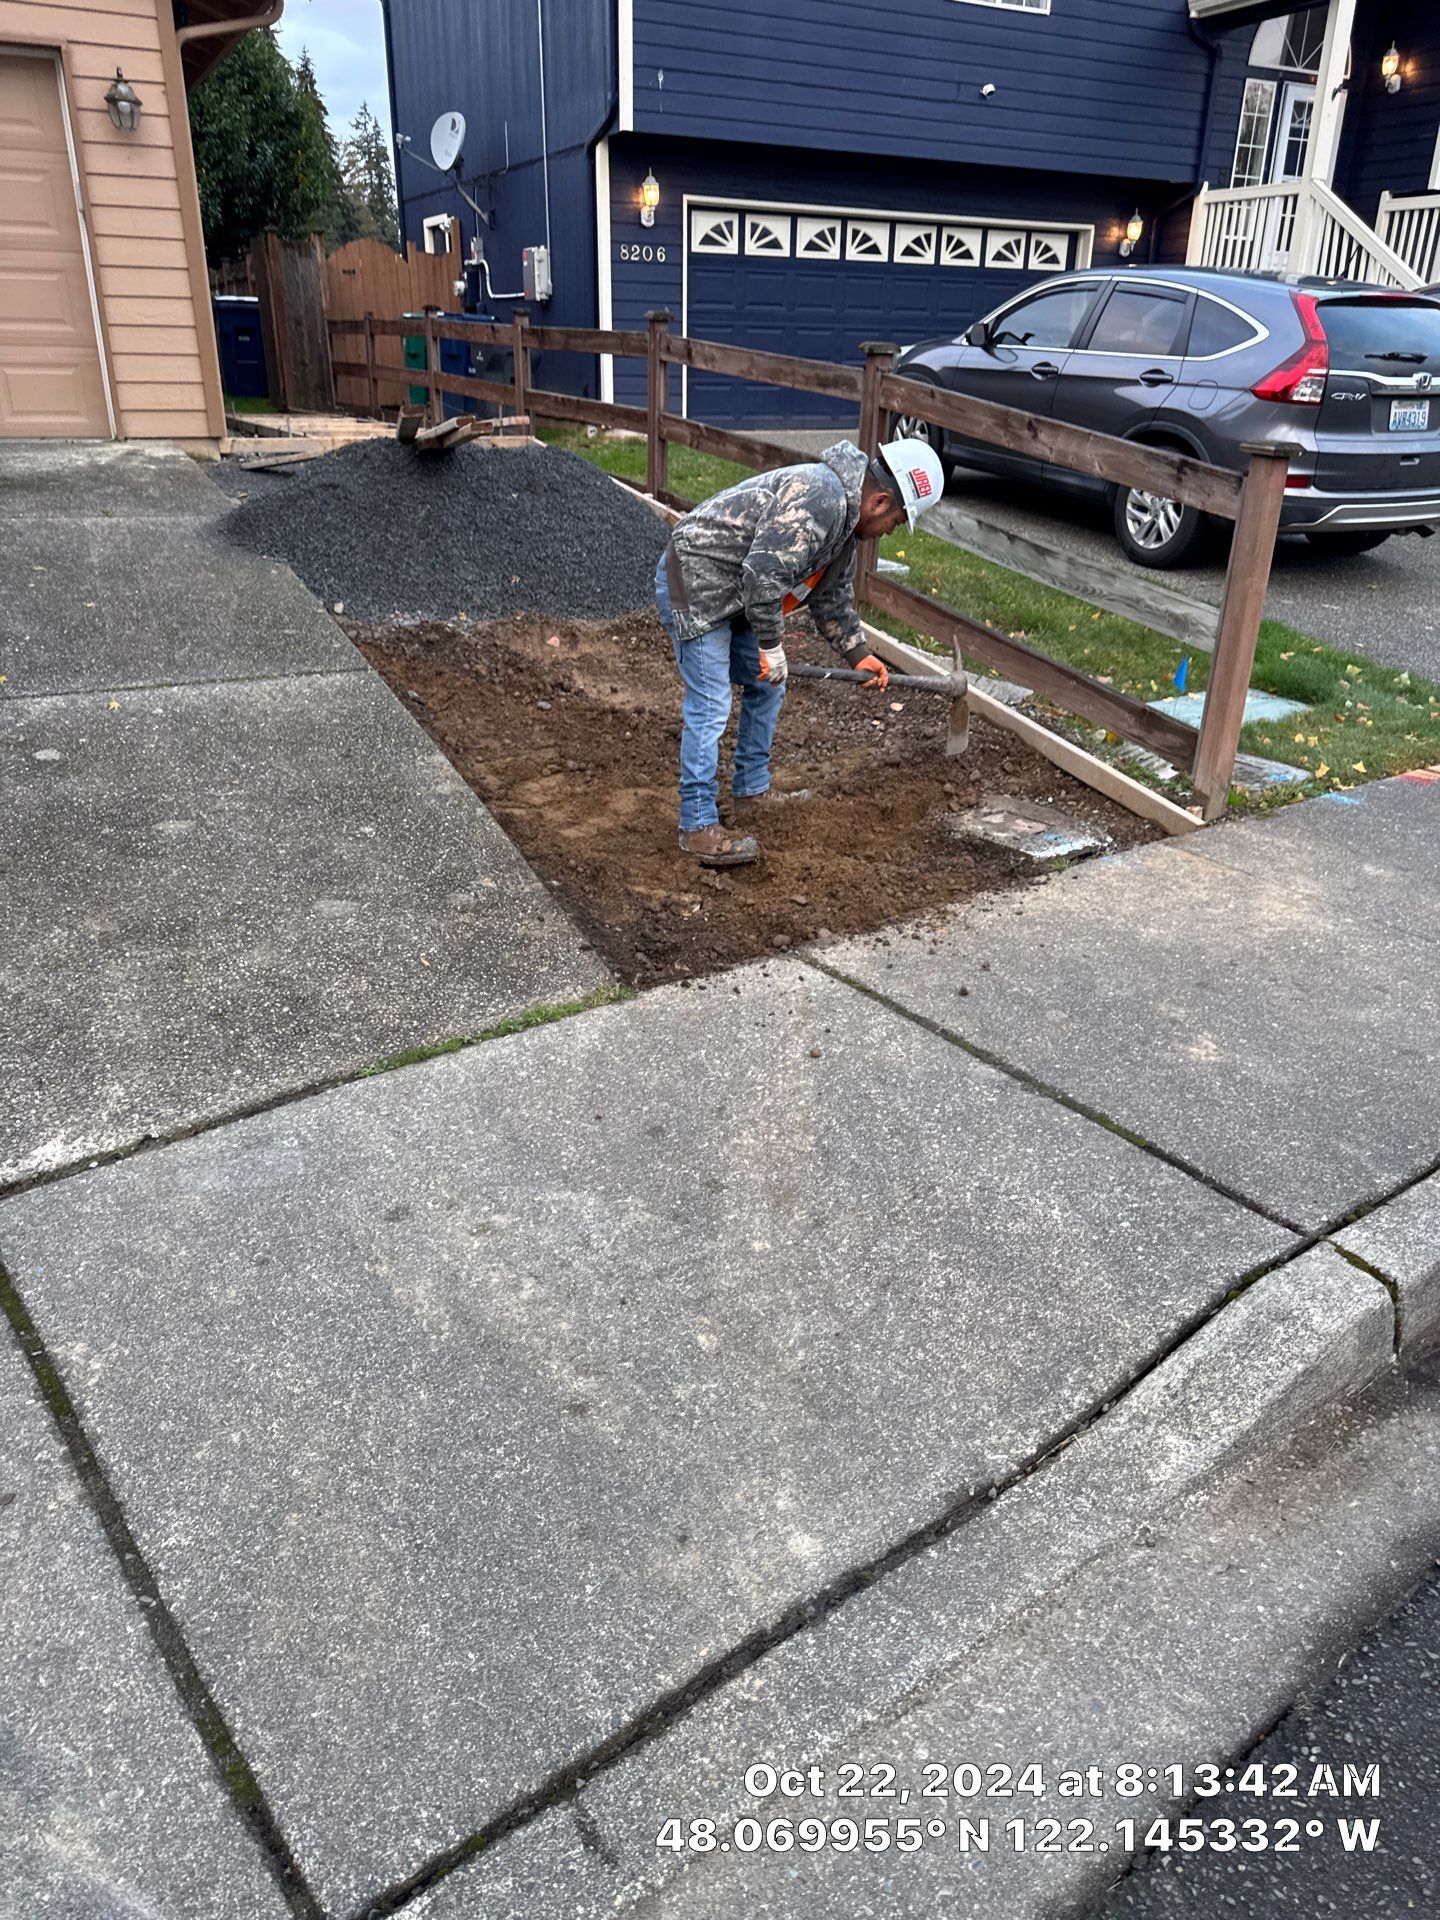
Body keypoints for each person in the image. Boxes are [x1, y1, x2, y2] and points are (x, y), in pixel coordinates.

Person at [653, 437, 947, 867]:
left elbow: (831, 596)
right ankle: (696, 825)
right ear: (880, 501)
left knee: (768, 683)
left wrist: (856, 652)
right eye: (898, 522)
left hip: (736, 592)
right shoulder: (821, 499)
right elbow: (764, 576)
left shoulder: (846, 523)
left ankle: (752, 790)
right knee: (712, 700)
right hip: (696, 581)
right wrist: (771, 646)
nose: (891, 531)